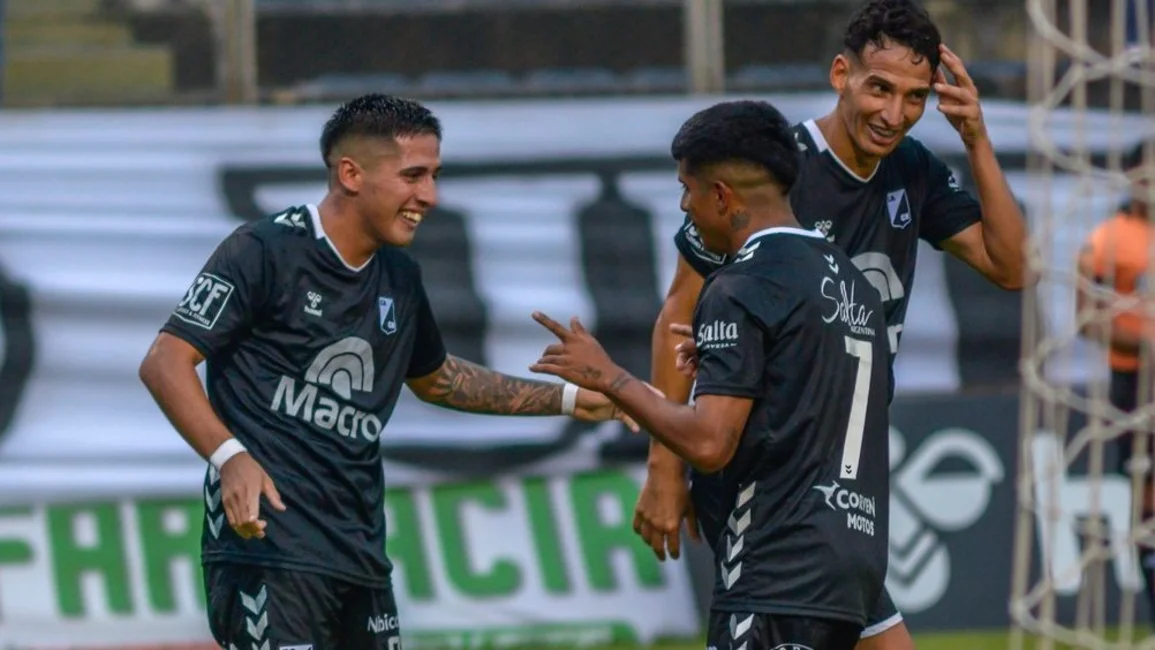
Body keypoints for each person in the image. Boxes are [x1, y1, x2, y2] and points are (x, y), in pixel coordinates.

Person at [138, 93, 634, 650]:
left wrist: (569, 399)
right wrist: (230, 457)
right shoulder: (263, 249)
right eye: (413, 176)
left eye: (434, 176)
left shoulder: (399, 274)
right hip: (267, 552)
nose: (430, 196)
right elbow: (165, 361)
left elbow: (437, 379)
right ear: (351, 174)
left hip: (359, 554)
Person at [635, 0, 1028, 648]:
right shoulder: (777, 170)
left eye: (914, 97)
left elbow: (1011, 266)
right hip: (771, 465)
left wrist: (975, 139)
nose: (893, 113)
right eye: (879, 88)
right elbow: (679, 310)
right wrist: (664, 468)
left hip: (839, 469)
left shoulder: (913, 170)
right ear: (840, 74)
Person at [530, 99, 893, 650]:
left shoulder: (740, 285)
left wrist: (611, 379)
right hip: (853, 564)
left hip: (774, 569)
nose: (685, 205)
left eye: (688, 189)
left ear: (722, 196)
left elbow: (709, 442)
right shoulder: (852, 281)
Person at [1075, 136, 1155, 619]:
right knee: (1148, 499)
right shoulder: (1107, 240)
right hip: (1137, 384)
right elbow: (1087, 318)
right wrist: (1145, 344)